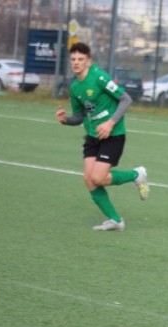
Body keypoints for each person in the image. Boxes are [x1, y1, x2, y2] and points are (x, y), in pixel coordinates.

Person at [55, 42, 148, 232]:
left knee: (98, 178)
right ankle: (115, 220)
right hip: (92, 136)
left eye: (81, 59)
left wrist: (110, 122)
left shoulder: (99, 77)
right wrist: (65, 120)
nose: (76, 63)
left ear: (88, 61)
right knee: (89, 180)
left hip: (113, 135)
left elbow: (126, 99)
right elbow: (79, 116)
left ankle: (137, 174)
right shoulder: (74, 87)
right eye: (73, 59)